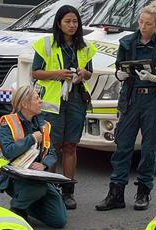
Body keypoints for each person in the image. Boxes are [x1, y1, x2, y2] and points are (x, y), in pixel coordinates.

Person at [96, 0, 156, 211]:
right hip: (131, 97)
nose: (143, 27)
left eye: (148, 24)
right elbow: (119, 67)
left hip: (153, 98)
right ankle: (115, 193)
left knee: (149, 148)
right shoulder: (127, 42)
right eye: (141, 22)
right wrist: (120, 73)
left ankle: (143, 191)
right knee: (123, 146)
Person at [32, 5, 96, 210]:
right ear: (59, 23)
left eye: (75, 21)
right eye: (68, 21)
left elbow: (90, 73)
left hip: (76, 100)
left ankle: (68, 192)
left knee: (70, 146)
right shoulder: (46, 44)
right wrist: (57, 74)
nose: (72, 25)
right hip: (52, 104)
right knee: (51, 147)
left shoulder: (84, 47)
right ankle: (50, 191)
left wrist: (82, 73)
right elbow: (36, 72)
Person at [0, 85, 68, 229]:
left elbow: (51, 152)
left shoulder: (43, 125)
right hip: (14, 176)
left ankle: (27, 204)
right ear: (25, 104)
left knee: (59, 220)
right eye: (37, 98)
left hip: (37, 175)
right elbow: (8, 152)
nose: (41, 101)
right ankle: (17, 209)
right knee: (38, 189)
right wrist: (31, 139)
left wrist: (43, 165)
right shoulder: (8, 122)